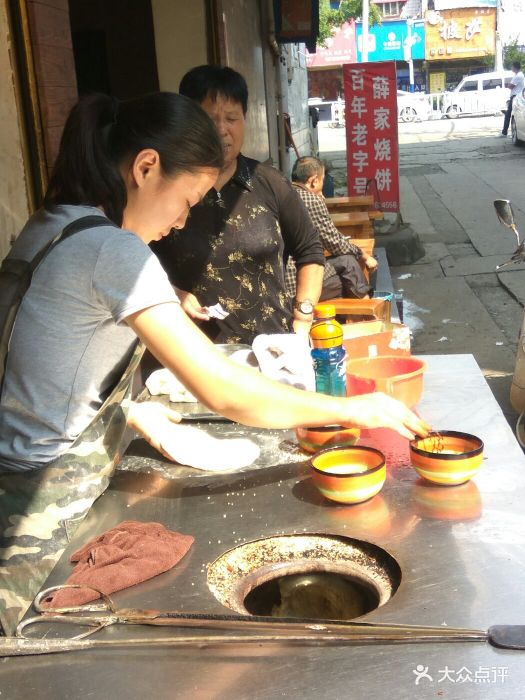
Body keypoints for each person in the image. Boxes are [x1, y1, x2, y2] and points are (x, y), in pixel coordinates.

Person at [0, 91, 429, 633]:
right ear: (146, 167)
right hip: (42, 515)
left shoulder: (52, 223)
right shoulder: (112, 251)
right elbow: (224, 389)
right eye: (187, 198)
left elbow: (48, 366)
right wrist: (356, 408)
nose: (181, 222)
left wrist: (125, 412)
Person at [150, 65, 326, 344]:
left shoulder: (269, 181)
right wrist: (174, 293)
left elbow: (310, 251)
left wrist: (303, 318)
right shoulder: (166, 188)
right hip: (195, 356)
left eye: (231, 118)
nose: (221, 130)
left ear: (245, 119)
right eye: (209, 119)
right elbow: (136, 262)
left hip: (275, 348)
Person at [287, 156, 377, 301]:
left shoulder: (282, 194)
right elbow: (335, 244)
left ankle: (364, 306)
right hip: (296, 282)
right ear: (314, 180)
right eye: (322, 180)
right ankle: (365, 312)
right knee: (349, 270)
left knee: (348, 269)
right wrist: (364, 255)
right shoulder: (310, 200)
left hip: (282, 277)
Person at [501, 61, 524, 137]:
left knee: (509, 114)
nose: (511, 68)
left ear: (515, 67)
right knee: (512, 114)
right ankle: (507, 132)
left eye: (512, 67)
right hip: (516, 96)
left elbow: (511, 86)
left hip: (515, 96)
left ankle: (504, 132)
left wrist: (508, 85)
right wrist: (509, 85)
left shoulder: (518, 76)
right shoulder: (518, 75)